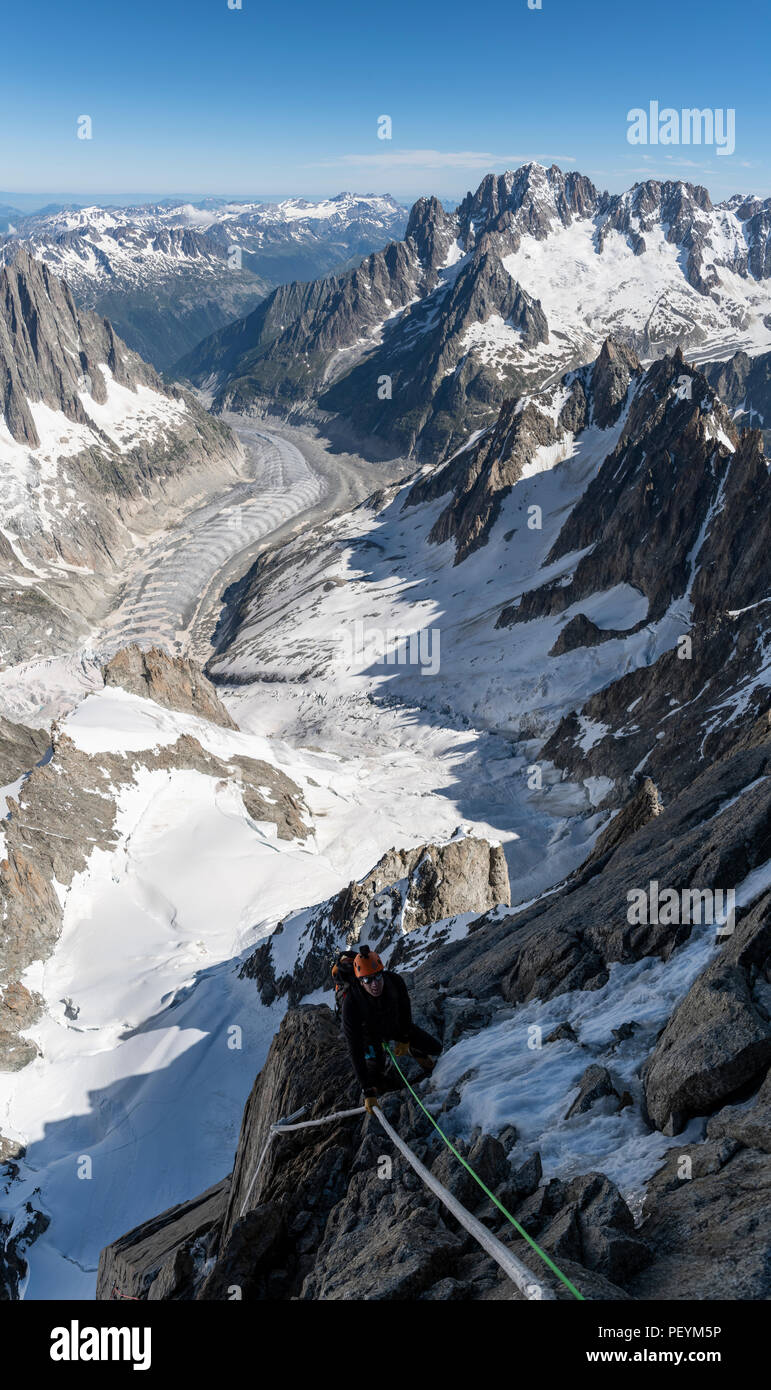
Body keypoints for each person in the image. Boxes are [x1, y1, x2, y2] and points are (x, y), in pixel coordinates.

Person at [340, 945, 442, 1114]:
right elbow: (355, 1049)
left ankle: (413, 1050)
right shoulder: (351, 1003)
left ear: (383, 972)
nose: (374, 984)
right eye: (367, 980)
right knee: (377, 1080)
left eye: (378, 976)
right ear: (360, 981)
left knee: (436, 1048)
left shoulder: (394, 981)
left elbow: (405, 1013)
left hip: (392, 1026)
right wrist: (367, 1090)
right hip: (368, 1038)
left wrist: (404, 1038)